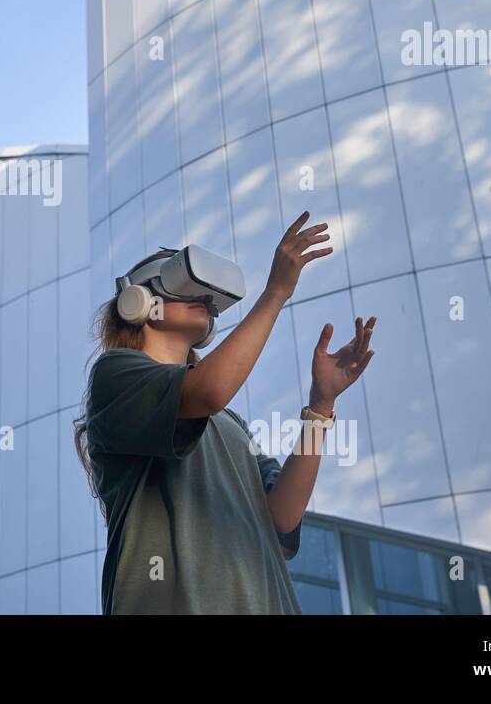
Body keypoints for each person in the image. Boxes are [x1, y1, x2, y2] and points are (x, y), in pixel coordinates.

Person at [73, 212, 377, 614]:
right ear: (139, 301)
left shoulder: (227, 423)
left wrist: (321, 406)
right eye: (180, 280)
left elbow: (281, 517)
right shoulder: (116, 377)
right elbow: (210, 390)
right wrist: (275, 293)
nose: (203, 295)